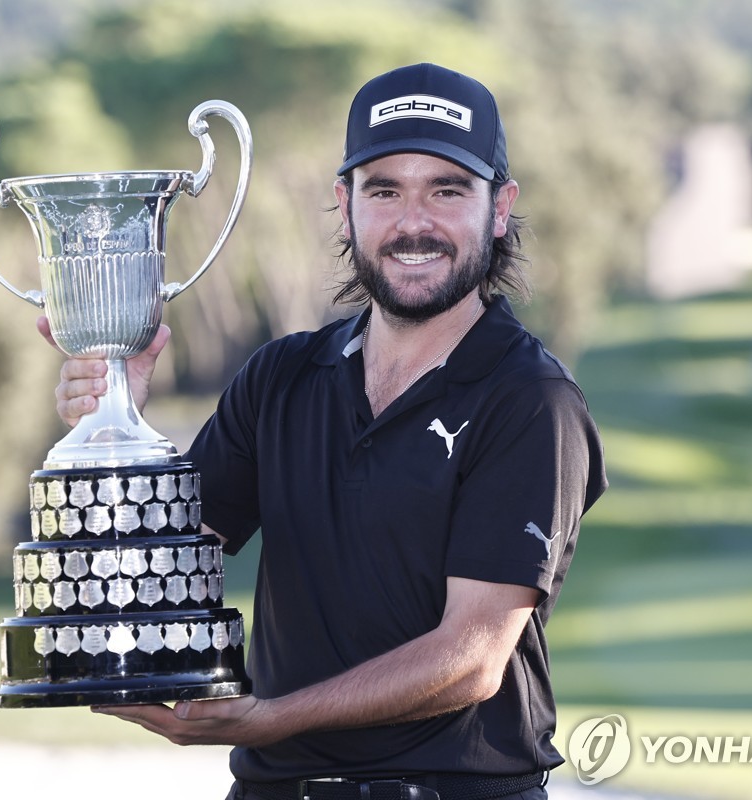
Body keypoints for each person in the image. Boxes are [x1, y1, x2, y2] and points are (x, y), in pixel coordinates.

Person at [44, 63, 607, 800]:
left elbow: (471, 659)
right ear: (345, 206)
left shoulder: (530, 399)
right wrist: (114, 429)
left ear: (499, 208)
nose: (414, 223)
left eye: (447, 189)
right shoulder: (281, 377)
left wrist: (267, 718)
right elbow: (161, 578)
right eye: (384, 191)